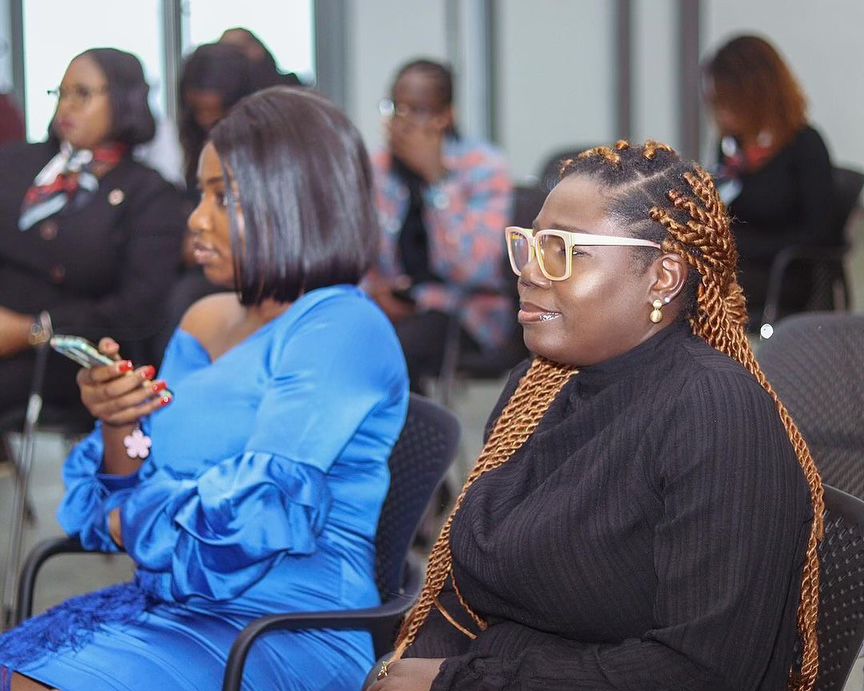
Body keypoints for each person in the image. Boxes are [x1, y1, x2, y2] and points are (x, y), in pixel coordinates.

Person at [369, 141, 823, 690]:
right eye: (530, 244)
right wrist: (403, 669)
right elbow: (461, 595)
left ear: (662, 277)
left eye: (564, 250)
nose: (529, 272)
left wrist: (454, 682)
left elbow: (701, 672)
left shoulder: (715, 414)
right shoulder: (537, 390)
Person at [0, 87, 410, 690]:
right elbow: (134, 478)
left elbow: (248, 518)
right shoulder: (203, 318)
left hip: (281, 632)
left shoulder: (342, 326)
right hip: (173, 610)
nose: (196, 220)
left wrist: (125, 519)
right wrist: (120, 424)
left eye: (224, 197)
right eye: (201, 194)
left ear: (296, 201)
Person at [0, 48, 185, 417]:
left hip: (69, 356)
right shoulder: (15, 163)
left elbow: (138, 307)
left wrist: (32, 329)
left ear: (123, 99)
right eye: (61, 93)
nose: (66, 105)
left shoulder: (149, 192)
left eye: (82, 94)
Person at [368, 59, 513, 392]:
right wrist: (374, 293)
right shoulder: (377, 167)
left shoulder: (483, 166)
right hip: (391, 304)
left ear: (446, 116)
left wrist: (438, 182)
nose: (403, 123)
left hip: (464, 311)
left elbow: (476, 271)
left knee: (397, 350)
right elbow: (356, 254)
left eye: (418, 111)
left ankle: (413, 426)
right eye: (396, 108)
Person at [701, 34, 833, 323]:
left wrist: (742, 247)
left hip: (783, 273)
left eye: (728, 102)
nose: (721, 114)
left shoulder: (804, 145)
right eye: (717, 103)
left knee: (698, 288)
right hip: (739, 263)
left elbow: (820, 233)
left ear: (755, 95)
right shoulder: (731, 148)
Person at [219, 27, 303, 89]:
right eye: (227, 49)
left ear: (257, 48)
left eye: (239, 48)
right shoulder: (221, 91)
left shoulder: (287, 85)